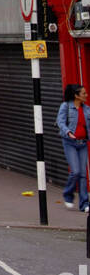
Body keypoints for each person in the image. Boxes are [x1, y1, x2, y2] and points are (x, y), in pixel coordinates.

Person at [56, 83, 90, 212]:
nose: (86, 96)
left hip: (83, 144)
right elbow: (60, 121)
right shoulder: (65, 106)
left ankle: (84, 204)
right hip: (70, 143)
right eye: (83, 94)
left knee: (82, 175)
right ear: (76, 96)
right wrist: (68, 132)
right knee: (75, 171)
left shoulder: (86, 109)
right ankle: (68, 194)